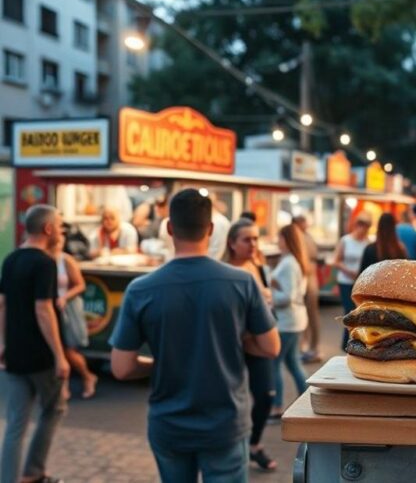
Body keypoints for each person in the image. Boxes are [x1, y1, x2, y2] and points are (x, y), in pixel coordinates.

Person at [109, 189, 280, 482]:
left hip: (169, 424)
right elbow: (271, 347)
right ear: (211, 229)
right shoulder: (241, 283)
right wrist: (236, 339)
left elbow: (122, 368)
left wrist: (157, 364)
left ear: (170, 229)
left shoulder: (141, 289)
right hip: (225, 423)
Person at [0, 204, 69, 483]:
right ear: (48, 229)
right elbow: (44, 310)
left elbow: (2, 304)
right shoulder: (44, 263)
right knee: (55, 407)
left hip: (15, 353)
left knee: (16, 423)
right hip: (41, 355)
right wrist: (59, 356)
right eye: (60, 226)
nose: (62, 231)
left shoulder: (11, 259)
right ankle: (33, 472)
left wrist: (2, 343)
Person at [223, 219, 278, 472]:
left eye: (256, 238)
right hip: (233, 342)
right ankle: (233, 447)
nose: (253, 244)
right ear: (232, 243)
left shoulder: (258, 265)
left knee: (266, 396)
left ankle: (254, 444)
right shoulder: (224, 271)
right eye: (247, 239)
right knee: (231, 397)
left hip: (260, 343)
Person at [270, 224, 309, 418]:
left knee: (275, 363)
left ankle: (277, 405)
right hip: (296, 319)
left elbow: (288, 296)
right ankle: (306, 399)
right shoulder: (296, 261)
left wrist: (271, 293)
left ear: (287, 239)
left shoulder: (288, 263)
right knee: (293, 362)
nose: (278, 241)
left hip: (287, 320)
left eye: (280, 237)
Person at [53, 238, 98, 400]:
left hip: (68, 310)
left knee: (68, 351)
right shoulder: (43, 259)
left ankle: (87, 376)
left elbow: (80, 285)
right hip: (51, 310)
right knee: (56, 350)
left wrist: (64, 297)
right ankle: (63, 388)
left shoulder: (66, 260)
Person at [333, 212, 372, 349]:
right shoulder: (346, 240)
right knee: (350, 311)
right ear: (357, 226)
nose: (364, 231)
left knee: (360, 312)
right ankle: (347, 343)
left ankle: (357, 341)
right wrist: (348, 271)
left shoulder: (368, 242)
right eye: (363, 227)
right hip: (345, 281)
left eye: (367, 228)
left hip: (360, 282)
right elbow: (336, 261)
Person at [292, 215, 322, 364]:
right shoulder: (303, 236)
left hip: (308, 278)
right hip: (307, 277)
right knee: (306, 313)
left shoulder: (303, 237)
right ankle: (306, 346)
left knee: (310, 313)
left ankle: (311, 347)